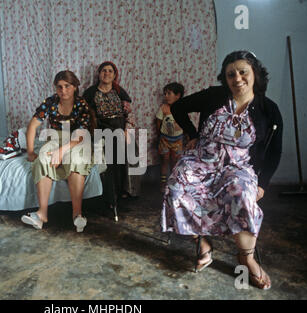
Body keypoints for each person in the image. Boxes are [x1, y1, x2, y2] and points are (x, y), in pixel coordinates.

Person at [161, 51, 283, 290]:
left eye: (243, 71)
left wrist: (262, 184)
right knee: (175, 188)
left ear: (255, 74)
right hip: (202, 160)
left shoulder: (268, 109)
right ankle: (203, 244)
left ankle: (246, 257)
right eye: (230, 74)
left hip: (239, 166)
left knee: (242, 194)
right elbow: (179, 108)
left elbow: (275, 150)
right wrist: (193, 135)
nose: (237, 78)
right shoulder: (214, 96)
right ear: (225, 78)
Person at [21, 70, 95, 232]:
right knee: (42, 160)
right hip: (56, 138)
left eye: (67, 86)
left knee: (75, 160)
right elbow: (33, 125)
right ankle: (41, 215)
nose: (63, 91)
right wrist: (31, 152)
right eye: (59, 87)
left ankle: (77, 215)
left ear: (75, 86)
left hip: (77, 140)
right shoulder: (51, 102)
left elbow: (81, 135)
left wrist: (61, 152)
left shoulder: (81, 104)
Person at [83, 61, 140, 219]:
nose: (106, 74)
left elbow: (130, 113)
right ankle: (110, 194)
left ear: (114, 75)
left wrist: (127, 130)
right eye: (103, 71)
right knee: (111, 151)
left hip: (120, 128)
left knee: (129, 147)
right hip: (101, 129)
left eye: (110, 71)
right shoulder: (91, 92)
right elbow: (86, 116)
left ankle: (124, 190)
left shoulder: (120, 91)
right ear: (99, 74)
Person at [155, 82, 185, 192]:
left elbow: (186, 123)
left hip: (178, 140)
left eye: (169, 93)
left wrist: (188, 136)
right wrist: (159, 136)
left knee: (175, 161)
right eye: (165, 94)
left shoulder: (182, 108)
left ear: (178, 95)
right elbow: (158, 122)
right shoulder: (164, 108)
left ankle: (173, 182)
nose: (166, 96)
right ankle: (163, 183)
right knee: (165, 160)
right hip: (165, 139)